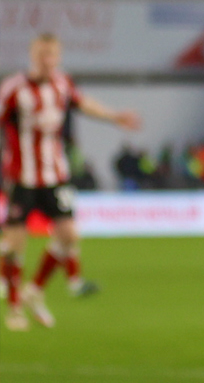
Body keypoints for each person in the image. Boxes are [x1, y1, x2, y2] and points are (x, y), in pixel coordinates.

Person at [1, 33, 143, 329]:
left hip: (55, 176)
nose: (47, 60)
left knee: (69, 236)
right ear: (32, 56)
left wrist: (114, 116)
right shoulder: (14, 88)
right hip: (21, 178)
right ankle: (14, 309)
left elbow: (83, 103)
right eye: (42, 55)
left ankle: (34, 291)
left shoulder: (62, 83)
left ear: (58, 57)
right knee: (14, 244)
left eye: (52, 55)